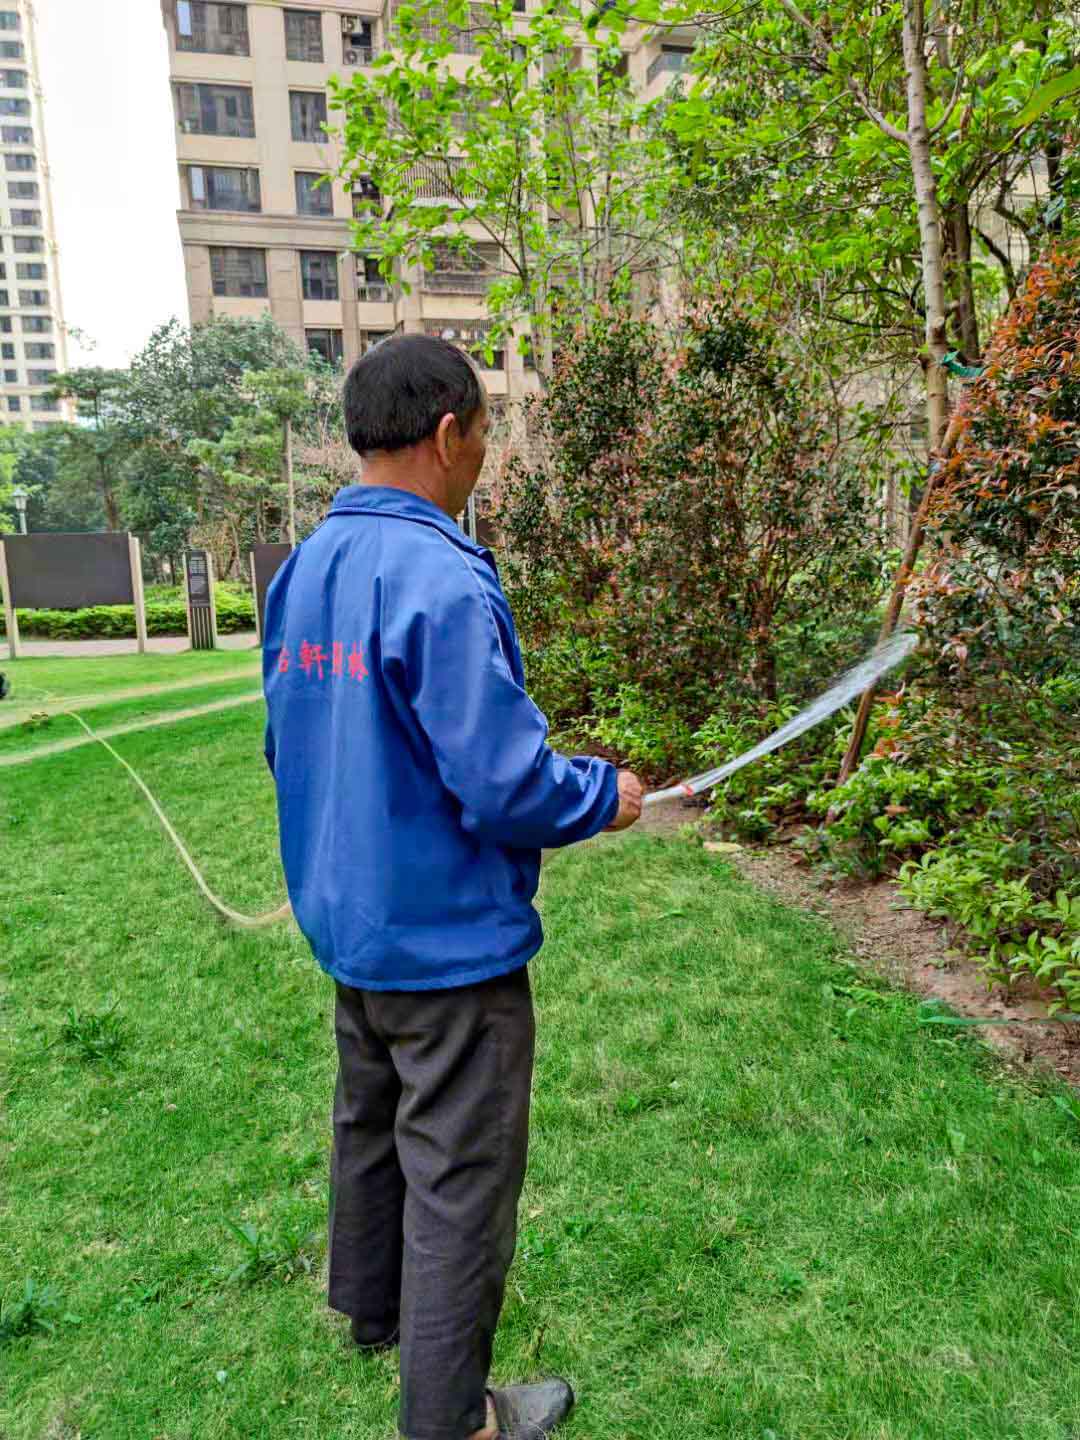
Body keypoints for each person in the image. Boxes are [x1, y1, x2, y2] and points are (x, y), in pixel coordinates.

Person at [262, 334, 644, 1440]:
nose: (484, 453)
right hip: (447, 951)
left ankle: (378, 1315)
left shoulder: (304, 569)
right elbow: (503, 781)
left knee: (374, 1133)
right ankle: (456, 1422)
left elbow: (287, 748)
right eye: (484, 432)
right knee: (458, 1188)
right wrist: (599, 795)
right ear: (447, 434)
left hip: (353, 932)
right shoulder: (439, 572)